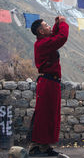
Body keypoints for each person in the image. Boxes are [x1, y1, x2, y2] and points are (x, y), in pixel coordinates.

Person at [28, 16, 69, 157]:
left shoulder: (44, 41)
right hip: (48, 84)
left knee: (50, 115)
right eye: (46, 25)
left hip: (52, 83)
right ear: (41, 31)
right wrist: (63, 24)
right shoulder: (42, 44)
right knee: (45, 115)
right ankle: (36, 147)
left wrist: (57, 25)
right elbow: (61, 38)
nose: (49, 27)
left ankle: (44, 147)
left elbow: (55, 36)